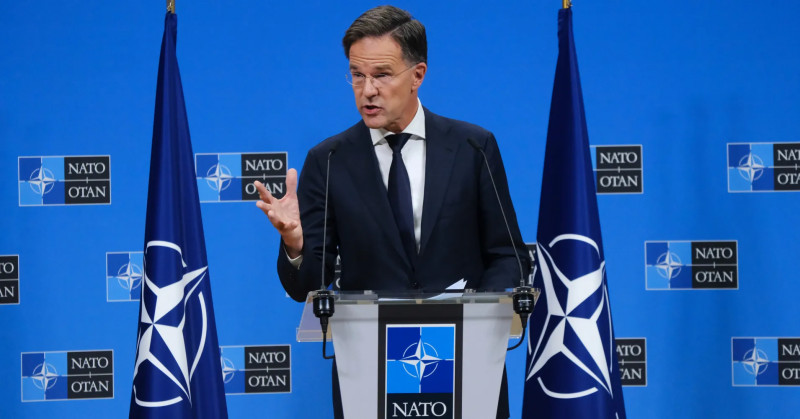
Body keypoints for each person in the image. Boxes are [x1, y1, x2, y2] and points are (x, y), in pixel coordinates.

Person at [255, 6, 529, 418]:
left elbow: (508, 256)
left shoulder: (473, 147)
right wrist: (295, 244)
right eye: (357, 75)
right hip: (370, 371)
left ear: (417, 75)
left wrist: (475, 317)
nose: (367, 90)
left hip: (465, 363)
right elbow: (308, 285)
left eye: (381, 75)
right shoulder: (328, 161)